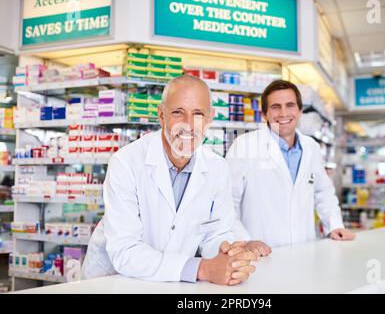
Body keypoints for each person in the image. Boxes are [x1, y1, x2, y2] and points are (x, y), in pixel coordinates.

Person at [82, 75, 258, 286]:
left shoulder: (217, 168)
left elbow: (216, 233)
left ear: (210, 118)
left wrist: (228, 254)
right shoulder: (126, 163)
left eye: (198, 114)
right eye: (178, 112)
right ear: (161, 115)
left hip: (174, 281)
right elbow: (125, 250)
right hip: (115, 281)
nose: (189, 125)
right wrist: (203, 268)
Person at [226, 80, 355, 251]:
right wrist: (244, 240)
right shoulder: (244, 146)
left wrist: (334, 225)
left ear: (300, 111)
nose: (283, 113)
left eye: (290, 105)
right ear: (264, 114)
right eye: (275, 107)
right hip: (260, 255)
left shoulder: (311, 147)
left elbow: (323, 191)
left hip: (304, 250)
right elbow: (225, 203)